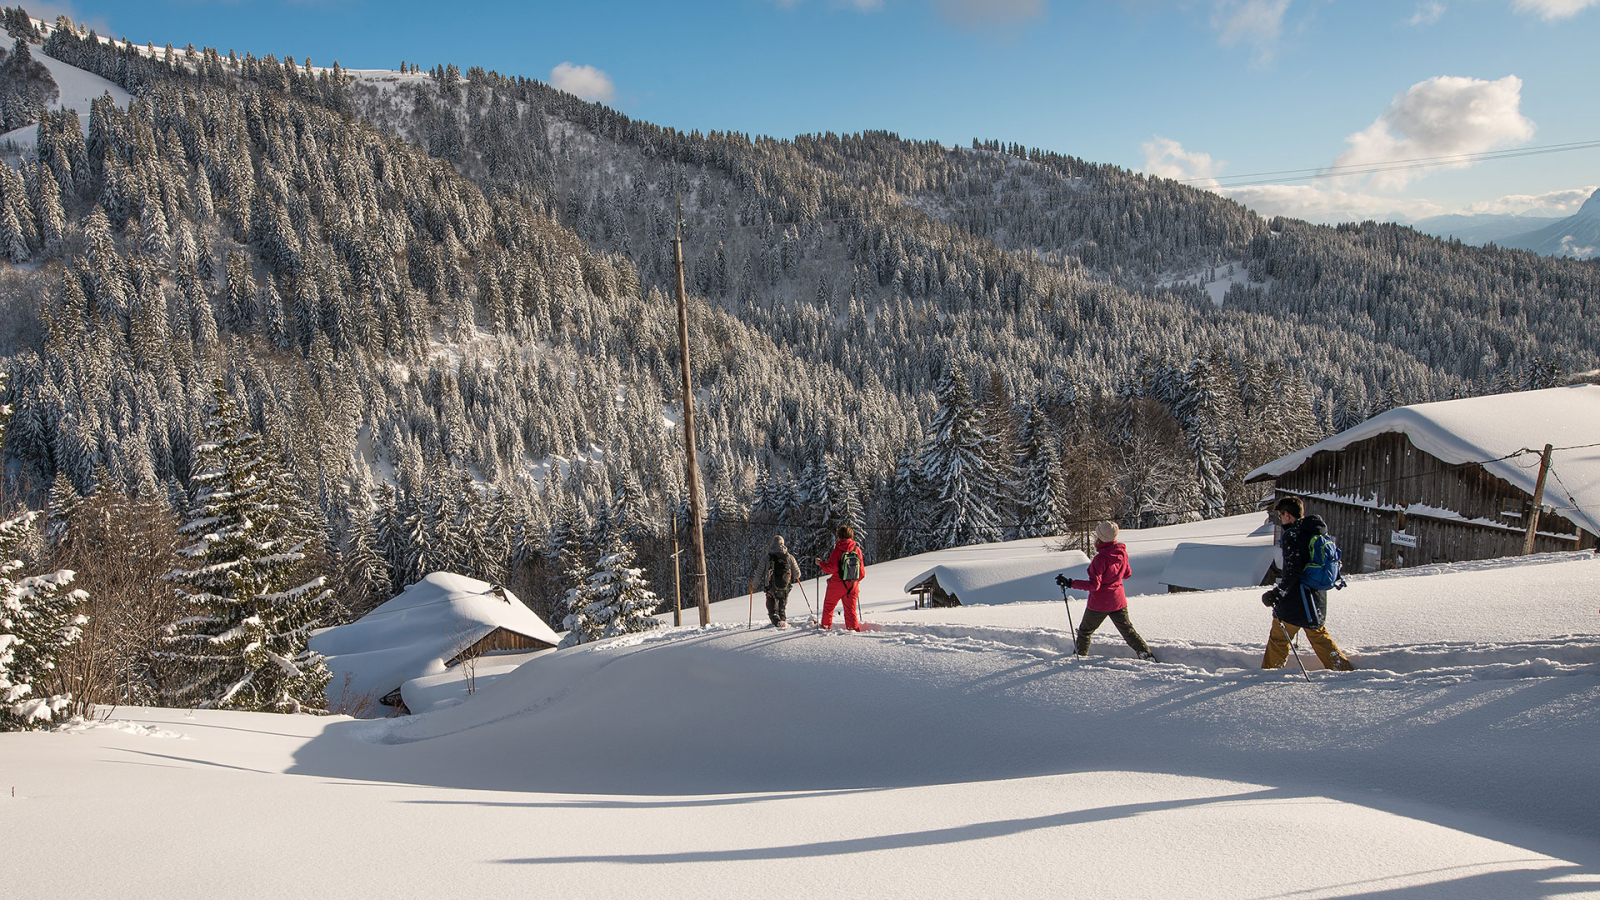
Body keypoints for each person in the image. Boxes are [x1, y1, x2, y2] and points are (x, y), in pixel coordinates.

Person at [1261, 496, 1356, 671]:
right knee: (1319, 636)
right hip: (1316, 597)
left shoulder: (1293, 536)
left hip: (1296, 599)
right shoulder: (1316, 532)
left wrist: (1277, 593)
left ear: (1287, 515)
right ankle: (1342, 669)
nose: (1281, 519)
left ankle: (1270, 673)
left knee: (1279, 638)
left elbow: (1294, 571)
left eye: (1281, 515)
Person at [1057, 521, 1156, 661]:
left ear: (1100, 537)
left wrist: (1070, 583)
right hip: (1118, 600)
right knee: (1128, 630)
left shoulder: (1100, 559)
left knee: (1085, 632)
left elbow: (1094, 585)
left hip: (1100, 603)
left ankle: (1079, 657)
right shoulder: (1121, 553)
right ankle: (1146, 654)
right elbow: (1127, 574)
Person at [814, 524, 866, 631]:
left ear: (839, 536)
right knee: (850, 611)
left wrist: (821, 563)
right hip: (852, 585)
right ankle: (853, 631)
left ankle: (826, 628)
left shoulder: (837, 550)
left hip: (837, 584)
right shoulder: (857, 549)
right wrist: (855, 581)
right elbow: (862, 573)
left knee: (829, 607)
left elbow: (831, 569)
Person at [751, 534, 801, 627]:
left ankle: (776, 621)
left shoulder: (767, 558)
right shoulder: (789, 557)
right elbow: (797, 574)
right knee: (782, 608)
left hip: (771, 588)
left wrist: (753, 586)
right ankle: (782, 621)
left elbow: (759, 574)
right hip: (785, 588)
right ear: (783, 544)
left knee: (772, 609)